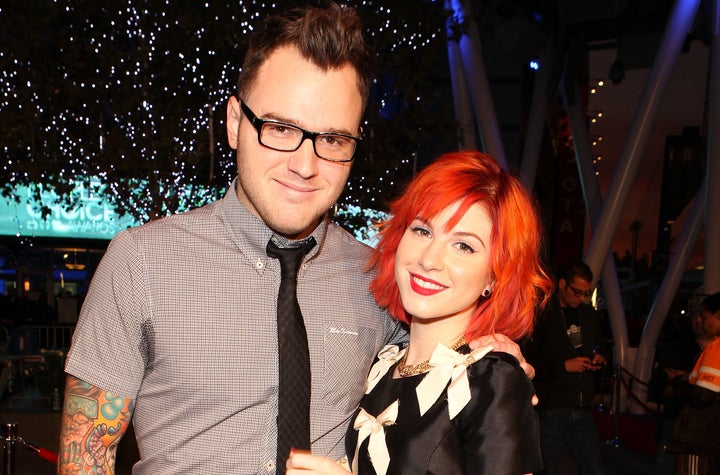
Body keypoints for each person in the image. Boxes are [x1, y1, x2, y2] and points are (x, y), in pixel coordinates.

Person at [58, 4, 530, 474]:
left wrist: (497, 361)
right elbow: (85, 457)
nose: (305, 166)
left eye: (332, 140)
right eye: (280, 128)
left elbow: (445, 366)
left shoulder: (380, 279)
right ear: (235, 122)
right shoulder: (140, 263)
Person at [286, 150, 552, 474]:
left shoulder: (492, 381)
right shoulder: (383, 365)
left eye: (464, 246)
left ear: (494, 277)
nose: (429, 259)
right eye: (423, 231)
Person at [521, 262, 607, 475]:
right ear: (562, 284)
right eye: (577, 292)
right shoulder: (542, 315)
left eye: (585, 294)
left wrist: (600, 357)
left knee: (594, 468)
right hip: (551, 407)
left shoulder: (589, 315)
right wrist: (563, 366)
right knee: (545, 467)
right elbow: (527, 363)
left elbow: (601, 344)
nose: (581, 298)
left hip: (582, 405)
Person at [665, 292, 720, 474]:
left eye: (704, 317)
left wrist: (677, 382)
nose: (702, 323)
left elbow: (703, 396)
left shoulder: (715, 348)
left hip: (700, 438)